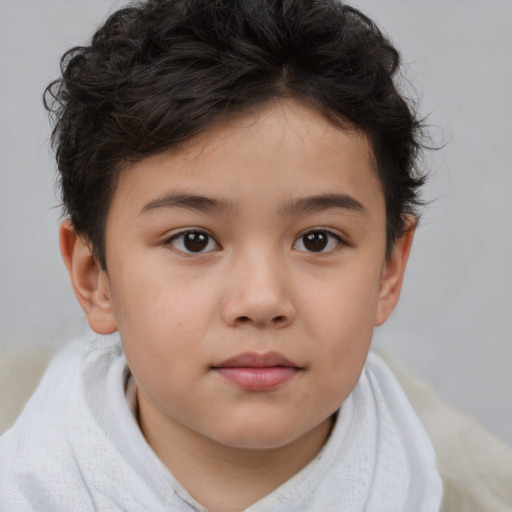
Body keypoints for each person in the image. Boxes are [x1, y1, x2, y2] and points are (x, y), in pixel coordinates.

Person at [0, 0, 443, 510]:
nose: (261, 300)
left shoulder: (439, 484)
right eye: (194, 240)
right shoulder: (28, 487)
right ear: (95, 277)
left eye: (317, 239)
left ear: (389, 271)